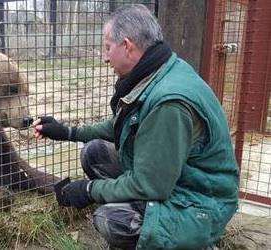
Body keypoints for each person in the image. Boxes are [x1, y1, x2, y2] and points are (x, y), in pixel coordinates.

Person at [33, 4, 239, 250]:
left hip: (200, 203)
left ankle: (194, 242)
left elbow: (149, 185)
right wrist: (68, 132)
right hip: (177, 179)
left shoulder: (168, 102)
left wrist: (89, 189)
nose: (104, 56)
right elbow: (122, 125)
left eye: (107, 47)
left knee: (113, 220)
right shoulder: (159, 70)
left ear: (127, 46)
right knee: (94, 152)